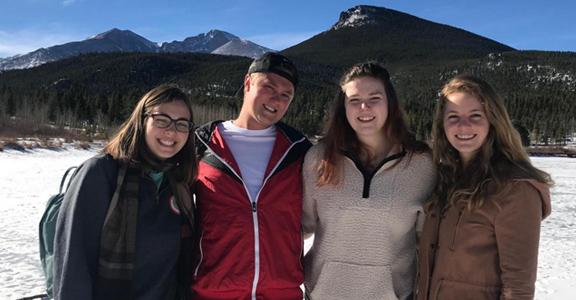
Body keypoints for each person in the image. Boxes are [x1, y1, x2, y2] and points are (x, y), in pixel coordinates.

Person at [302, 62, 435, 300]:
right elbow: (300, 227)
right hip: (324, 293)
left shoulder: (421, 164)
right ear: (343, 108)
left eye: (374, 98)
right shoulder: (319, 158)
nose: (364, 107)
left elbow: (426, 240)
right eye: (354, 100)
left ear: (390, 103)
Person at [414, 75, 553, 300]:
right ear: (442, 124)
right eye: (453, 116)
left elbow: (518, 288)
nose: (463, 125)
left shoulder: (515, 189)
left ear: (493, 120)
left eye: (475, 115)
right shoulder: (443, 179)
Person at [53, 85, 197, 300]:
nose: (171, 131)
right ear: (141, 121)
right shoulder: (101, 173)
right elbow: (73, 261)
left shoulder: (178, 184)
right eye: (161, 120)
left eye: (182, 124)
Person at [191, 52, 312, 300]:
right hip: (214, 293)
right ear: (247, 83)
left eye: (285, 95)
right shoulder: (202, 145)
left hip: (281, 293)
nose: (276, 99)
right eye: (268, 87)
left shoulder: (300, 151)